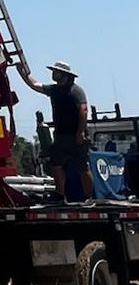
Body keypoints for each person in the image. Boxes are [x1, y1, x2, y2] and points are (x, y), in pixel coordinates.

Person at [27, 60, 93, 202]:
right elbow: (35, 85)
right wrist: (24, 73)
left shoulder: (75, 90)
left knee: (83, 167)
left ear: (65, 75)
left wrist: (80, 132)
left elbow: (83, 110)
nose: (53, 74)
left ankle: (88, 196)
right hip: (60, 136)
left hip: (76, 135)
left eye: (56, 72)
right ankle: (59, 194)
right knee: (55, 164)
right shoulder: (54, 90)